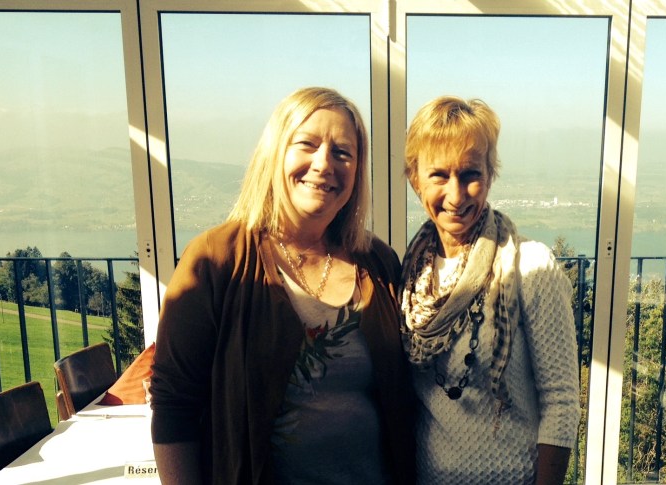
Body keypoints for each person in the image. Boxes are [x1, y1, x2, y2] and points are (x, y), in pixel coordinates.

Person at [150, 87, 416, 484]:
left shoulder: (378, 262)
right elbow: (173, 404)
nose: (324, 164)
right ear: (275, 153)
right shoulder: (216, 259)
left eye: (342, 152)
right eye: (307, 144)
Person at [401, 96, 580, 484]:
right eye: (439, 175)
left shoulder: (530, 267)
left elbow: (562, 402)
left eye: (470, 174)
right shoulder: (411, 276)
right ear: (415, 179)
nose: (456, 195)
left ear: (490, 174)